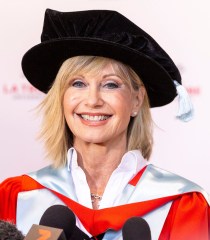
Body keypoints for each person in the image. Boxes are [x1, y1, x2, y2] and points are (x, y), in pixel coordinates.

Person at [0, 9, 209, 240]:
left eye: (110, 84)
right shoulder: (16, 196)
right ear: (60, 97)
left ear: (136, 100)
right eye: (78, 83)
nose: (92, 100)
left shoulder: (181, 204)